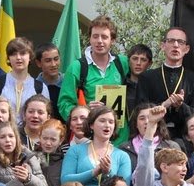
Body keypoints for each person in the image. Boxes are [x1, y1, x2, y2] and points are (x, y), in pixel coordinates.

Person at [57, 16, 130, 144]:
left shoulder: (123, 63)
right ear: (89, 39)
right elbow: (64, 103)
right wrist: (84, 112)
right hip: (90, 139)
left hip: (121, 139)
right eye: (95, 36)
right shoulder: (77, 67)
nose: (99, 41)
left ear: (112, 40)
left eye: (104, 37)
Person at [136, 27, 194, 140]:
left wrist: (181, 106)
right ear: (163, 46)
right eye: (171, 41)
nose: (176, 45)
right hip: (154, 136)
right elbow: (139, 111)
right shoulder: (147, 77)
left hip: (184, 139)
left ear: (186, 49)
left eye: (180, 42)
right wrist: (165, 105)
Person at [61, 105, 132, 186]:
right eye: (102, 121)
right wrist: (94, 172)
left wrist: (107, 173)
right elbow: (65, 181)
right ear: (91, 125)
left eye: (111, 122)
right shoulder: (75, 150)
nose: (107, 125)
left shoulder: (122, 156)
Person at [0, 122, 48, 186]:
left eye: (11, 136)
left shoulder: (30, 157)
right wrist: (18, 181)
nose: (8, 140)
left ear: (16, 138)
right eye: (2, 137)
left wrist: (28, 178)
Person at [0, 37, 44, 116]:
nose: (18, 58)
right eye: (13, 54)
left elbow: (44, 117)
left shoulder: (41, 87)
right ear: (8, 58)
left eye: (23, 53)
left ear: (30, 57)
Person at [118, 102, 183, 170]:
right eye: (142, 118)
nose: (147, 121)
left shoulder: (171, 147)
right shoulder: (124, 149)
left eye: (150, 117)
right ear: (136, 124)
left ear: (158, 123)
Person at [37, 118, 66, 186]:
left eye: (53, 139)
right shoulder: (32, 159)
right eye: (45, 138)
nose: (48, 143)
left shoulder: (65, 162)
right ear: (39, 137)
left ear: (61, 140)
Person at [34, 43, 63, 116]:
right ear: (38, 63)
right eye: (48, 61)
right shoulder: (33, 87)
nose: (53, 64)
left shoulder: (69, 83)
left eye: (56, 59)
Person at [125, 43, 153, 117]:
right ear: (128, 61)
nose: (138, 63)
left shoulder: (154, 87)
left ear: (150, 64)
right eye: (135, 58)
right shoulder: (120, 85)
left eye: (143, 60)